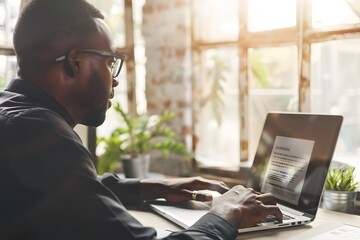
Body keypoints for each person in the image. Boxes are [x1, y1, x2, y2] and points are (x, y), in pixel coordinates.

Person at [0, 0, 282, 239]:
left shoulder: (12, 112)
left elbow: (62, 189)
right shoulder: (39, 130)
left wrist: (153, 187)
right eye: (111, 61)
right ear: (75, 62)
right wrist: (225, 214)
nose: (116, 78)